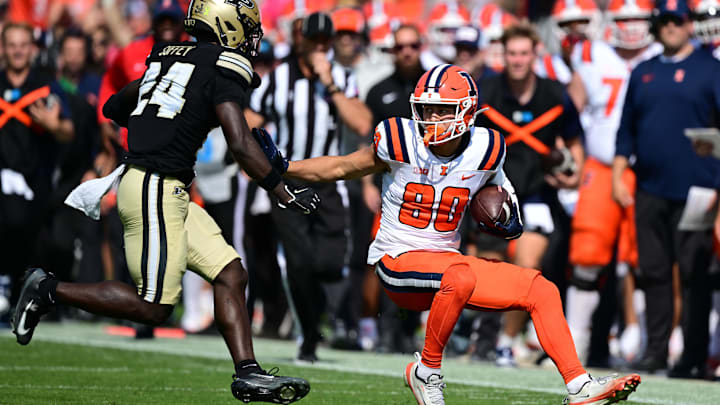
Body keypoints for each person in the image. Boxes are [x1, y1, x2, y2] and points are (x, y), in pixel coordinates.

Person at [253, 63, 641, 405]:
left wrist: (508, 219)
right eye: (426, 109)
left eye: (442, 110)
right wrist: (285, 167)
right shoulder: (400, 140)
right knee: (461, 275)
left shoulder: (487, 148)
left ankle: (579, 384)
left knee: (542, 289)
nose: (431, 118)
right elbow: (339, 166)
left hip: (446, 266)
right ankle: (427, 371)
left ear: (467, 112)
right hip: (397, 261)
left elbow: (506, 200)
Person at [11, 1, 315, 402]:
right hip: (154, 185)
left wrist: (159, 123)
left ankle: (248, 373)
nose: (252, 34)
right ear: (225, 25)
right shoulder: (223, 66)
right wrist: (282, 190)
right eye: (246, 25)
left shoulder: (168, 58)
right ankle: (47, 288)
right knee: (154, 307)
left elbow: (115, 106)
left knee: (230, 273)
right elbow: (241, 144)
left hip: (166, 187)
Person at [246, 11, 372, 363]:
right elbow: (247, 123)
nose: (318, 46)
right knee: (298, 262)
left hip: (330, 179)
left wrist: (328, 82)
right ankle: (309, 338)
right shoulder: (276, 80)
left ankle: (319, 317)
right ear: (299, 41)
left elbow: (362, 123)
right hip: (287, 180)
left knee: (330, 263)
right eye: (311, 39)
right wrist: (256, 160)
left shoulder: (341, 78)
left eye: (323, 41)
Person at [613, 0, 720, 378]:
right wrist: (619, 169)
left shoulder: (712, 70)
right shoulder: (643, 71)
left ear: (690, 24)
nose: (671, 27)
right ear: (656, 27)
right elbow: (626, 129)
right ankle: (655, 350)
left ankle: (693, 355)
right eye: (665, 21)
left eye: (678, 21)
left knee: (694, 273)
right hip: (650, 186)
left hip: (699, 189)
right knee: (654, 271)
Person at [474, 23, 584, 367]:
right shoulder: (486, 90)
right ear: (503, 55)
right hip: (490, 190)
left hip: (537, 192)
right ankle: (482, 339)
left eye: (524, 53)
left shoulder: (554, 93)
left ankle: (507, 340)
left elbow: (575, 140)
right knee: (486, 271)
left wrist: (573, 174)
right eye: (512, 53)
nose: (518, 60)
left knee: (527, 266)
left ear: (535, 54)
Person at [563, 0, 660, 364]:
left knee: (645, 258)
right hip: (600, 166)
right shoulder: (591, 55)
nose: (632, 27)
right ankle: (573, 340)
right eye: (624, 18)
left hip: (648, 170)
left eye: (638, 18)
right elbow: (570, 112)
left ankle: (645, 340)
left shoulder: (662, 54)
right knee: (587, 254)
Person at [0, 22, 75, 319]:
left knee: (29, 232)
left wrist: (53, 125)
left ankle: (20, 292)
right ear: (4, 48)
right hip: (2, 175)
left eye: (23, 45)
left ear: (31, 49)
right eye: (12, 45)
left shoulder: (46, 86)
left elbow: (68, 131)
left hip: (35, 180)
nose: (17, 51)